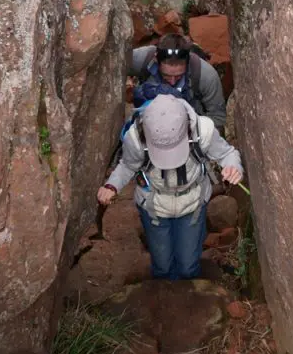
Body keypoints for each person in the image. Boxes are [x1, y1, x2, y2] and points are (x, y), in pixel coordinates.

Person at [97, 93, 243, 280]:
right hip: (154, 207)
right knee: (162, 266)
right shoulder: (135, 138)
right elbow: (127, 165)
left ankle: (186, 289)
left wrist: (233, 167)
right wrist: (112, 185)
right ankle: (165, 291)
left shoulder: (203, 130)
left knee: (188, 267)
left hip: (193, 204)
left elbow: (227, 154)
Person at [130, 33, 227, 130]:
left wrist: (190, 130)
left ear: (187, 62)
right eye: (166, 75)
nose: (172, 82)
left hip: (191, 130)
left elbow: (218, 119)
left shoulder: (206, 75)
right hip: (147, 125)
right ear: (156, 59)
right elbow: (116, 61)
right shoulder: (144, 58)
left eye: (178, 76)